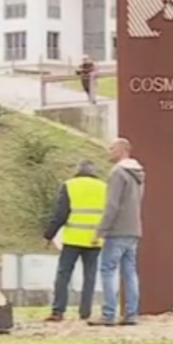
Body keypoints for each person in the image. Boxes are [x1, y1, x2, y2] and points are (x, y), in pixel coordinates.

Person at [89, 138, 144, 326]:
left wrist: (99, 230)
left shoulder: (117, 173)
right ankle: (131, 314)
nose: (108, 151)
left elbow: (111, 205)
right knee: (130, 272)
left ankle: (108, 314)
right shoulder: (138, 174)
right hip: (134, 229)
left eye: (111, 148)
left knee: (108, 270)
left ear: (122, 150)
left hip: (117, 230)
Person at [43, 160, 107, 322]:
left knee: (64, 274)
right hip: (94, 239)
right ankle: (85, 312)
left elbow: (61, 214)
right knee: (90, 276)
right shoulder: (104, 187)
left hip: (73, 238)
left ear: (77, 170)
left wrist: (49, 235)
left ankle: (58, 311)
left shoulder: (70, 185)